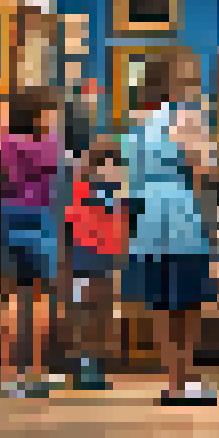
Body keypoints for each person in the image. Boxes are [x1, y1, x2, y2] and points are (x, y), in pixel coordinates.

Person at [125, 52, 219, 404]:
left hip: (149, 219)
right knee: (190, 301)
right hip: (182, 216)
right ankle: (188, 377)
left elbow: (131, 181)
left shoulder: (140, 122)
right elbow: (203, 172)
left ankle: (172, 380)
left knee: (161, 303)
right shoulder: (190, 117)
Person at [0, 89, 66, 398]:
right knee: (41, 297)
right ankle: (37, 373)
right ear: (38, 114)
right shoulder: (50, 144)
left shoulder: (7, 143)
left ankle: (10, 375)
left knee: (13, 296)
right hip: (40, 218)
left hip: (11, 216)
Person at [64, 137, 128, 390]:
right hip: (83, 262)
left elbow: (121, 230)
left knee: (102, 316)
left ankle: (96, 366)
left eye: (115, 163)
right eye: (105, 163)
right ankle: (84, 366)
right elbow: (71, 229)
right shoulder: (80, 192)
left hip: (107, 263)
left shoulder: (118, 196)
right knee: (85, 315)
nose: (111, 168)